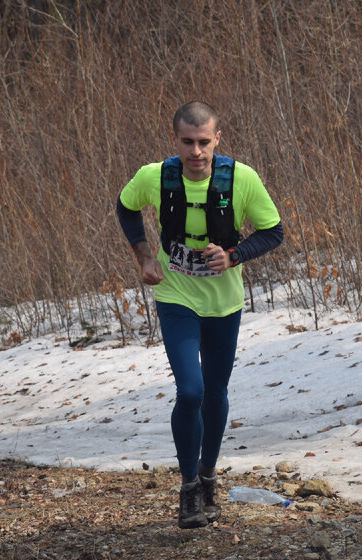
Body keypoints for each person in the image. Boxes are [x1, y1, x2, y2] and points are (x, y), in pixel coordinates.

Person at [116, 101, 285, 529]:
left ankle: (209, 476)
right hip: (176, 296)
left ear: (218, 139)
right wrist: (143, 259)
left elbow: (273, 232)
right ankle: (189, 486)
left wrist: (233, 255)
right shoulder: (155, 176)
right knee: (189, 392)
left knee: (215, 392)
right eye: (187, 143)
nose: (196, 152)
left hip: (224, 303)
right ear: (175, 140)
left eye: (204, 142)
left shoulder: (240, 178)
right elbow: (125, 207)